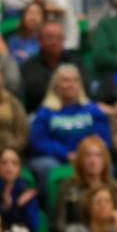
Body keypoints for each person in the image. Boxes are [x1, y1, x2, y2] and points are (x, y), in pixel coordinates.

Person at [28, 66, 111, 196]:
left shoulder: (92, 109)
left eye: (75, 80)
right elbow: (39, 141)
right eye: (66, 80)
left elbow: (102, 137)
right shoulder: (46, 112)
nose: (71, 84)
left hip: (87, 155)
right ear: (56, 85)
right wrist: (66, 154)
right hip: (57, 158)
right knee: (46, 166)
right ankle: (52, 204)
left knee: (105, 162)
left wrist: (84, 154)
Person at [52, 134, 117, 232]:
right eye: (88, 156)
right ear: (80, 160)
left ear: (105, 160)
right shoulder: (67, 187)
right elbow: (59, 224)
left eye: (98, 155)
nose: (93, 161)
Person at [8, 0, 44, 66]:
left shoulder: (45, 41)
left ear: (43, 18)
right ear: (23, 16)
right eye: (30, 13)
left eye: (38, 13)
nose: (33, 18)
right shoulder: (14, 40)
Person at [0, 73, 27, 155]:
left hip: (9, 149)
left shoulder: (13, 103)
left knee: (9, 158)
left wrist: (13, 147)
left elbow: (22, 132)